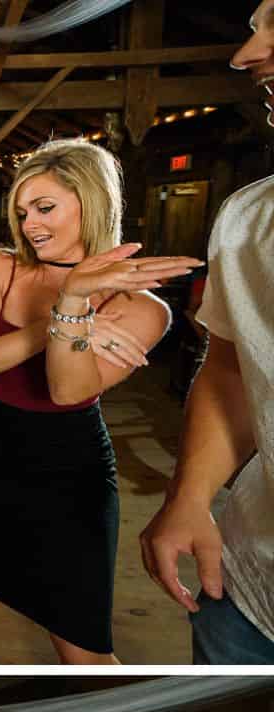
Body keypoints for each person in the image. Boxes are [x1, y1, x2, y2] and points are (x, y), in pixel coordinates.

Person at [0, 140, 198, 665]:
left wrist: (72, 304)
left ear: (92, 203)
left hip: (66, 468)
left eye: (45, 208)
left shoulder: (142, 307)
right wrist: (66, 324)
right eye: (23, 212)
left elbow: (67, 390)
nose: (30, 224)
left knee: (80, 644)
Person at [141, 4, 274, 664]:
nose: (245, 55)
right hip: (247, 597)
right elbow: (232, 369)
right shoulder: (248, 219)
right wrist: (190, 495)